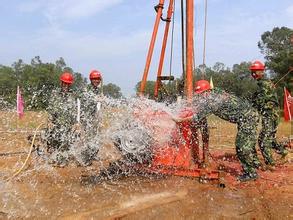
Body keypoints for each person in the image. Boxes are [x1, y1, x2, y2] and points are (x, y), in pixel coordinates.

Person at [173, 80, 260, 182]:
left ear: (207, 92)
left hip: (248, 118)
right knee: (247, 142)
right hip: (247, 117)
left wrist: (180, 120)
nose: (200, 97)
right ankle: (255, 163)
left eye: (201, 95)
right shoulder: (215, 92)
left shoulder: (213, 101)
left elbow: (197, 117)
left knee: (241, 146)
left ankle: (251, 173)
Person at [249, 61, 288, 167]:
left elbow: (260, 100)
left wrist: (250, 108)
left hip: (270, 115)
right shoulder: (265, 82)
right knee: (270, 137)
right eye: (252, 72)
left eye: (255, 72)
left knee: (263, 140)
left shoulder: (263, 83)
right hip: (272, 115)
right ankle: (283, 151)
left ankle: (270, 163)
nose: (253, 75)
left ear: (261, 72)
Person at [45, 72, 78, 166]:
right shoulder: (55, 95)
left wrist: (76, 123)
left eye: (68, 84)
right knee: (53, 142)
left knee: (66, 144)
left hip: (68, 126)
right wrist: (50, 121)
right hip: (56, 124)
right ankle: (54, 157)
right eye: (64, 83)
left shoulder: (73, 96)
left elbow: (76, 110)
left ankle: (62, 159)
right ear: (61, 83)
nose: (66, 86)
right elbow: (51, 110)